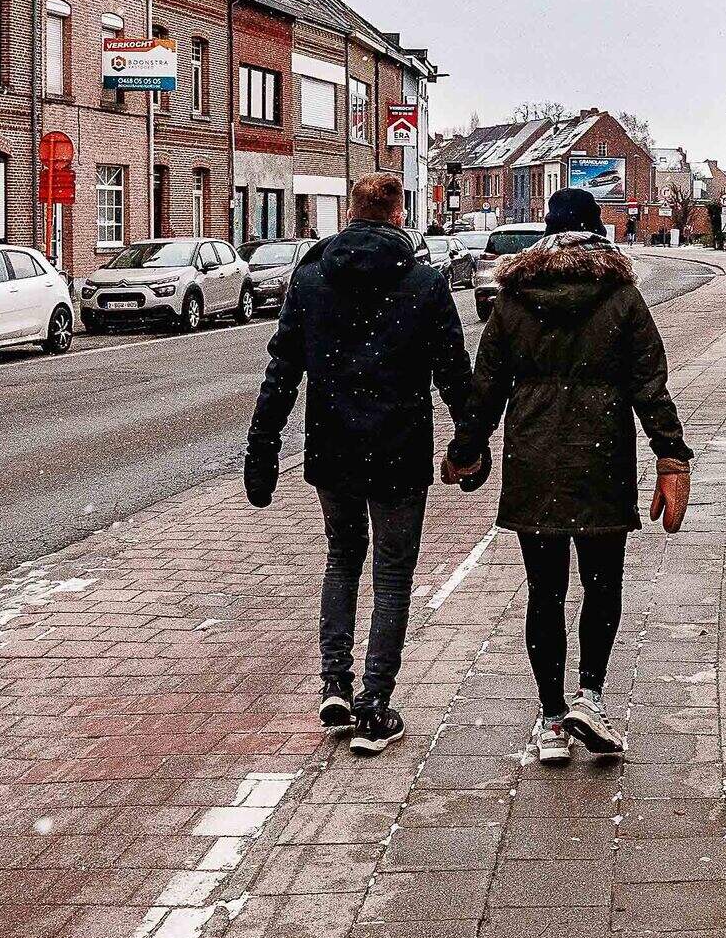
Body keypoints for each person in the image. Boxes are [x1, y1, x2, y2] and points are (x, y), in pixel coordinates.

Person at [448, 187, 693, 767]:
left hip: (534, 461)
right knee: (603, 585)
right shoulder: (622, 296)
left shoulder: (511, 299)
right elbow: (649, 385)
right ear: (596, 229)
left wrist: (468, 445)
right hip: (601, 456)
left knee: (545, 591)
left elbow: (486, 387)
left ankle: (552, 719)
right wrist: (671, 456)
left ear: (546, 232)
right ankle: (590, 696)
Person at [245, 172, 472, 754]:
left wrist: (263, 446)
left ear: (351, 211)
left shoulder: (313, 278)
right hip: (399, 447)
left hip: (333, 445)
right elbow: (452, 370)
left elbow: (282, 370)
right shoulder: (423, 283)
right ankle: (375, 705)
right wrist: (470, 441)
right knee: (393, 573)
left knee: (343, 557)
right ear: (399, 215)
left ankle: (335, 683)